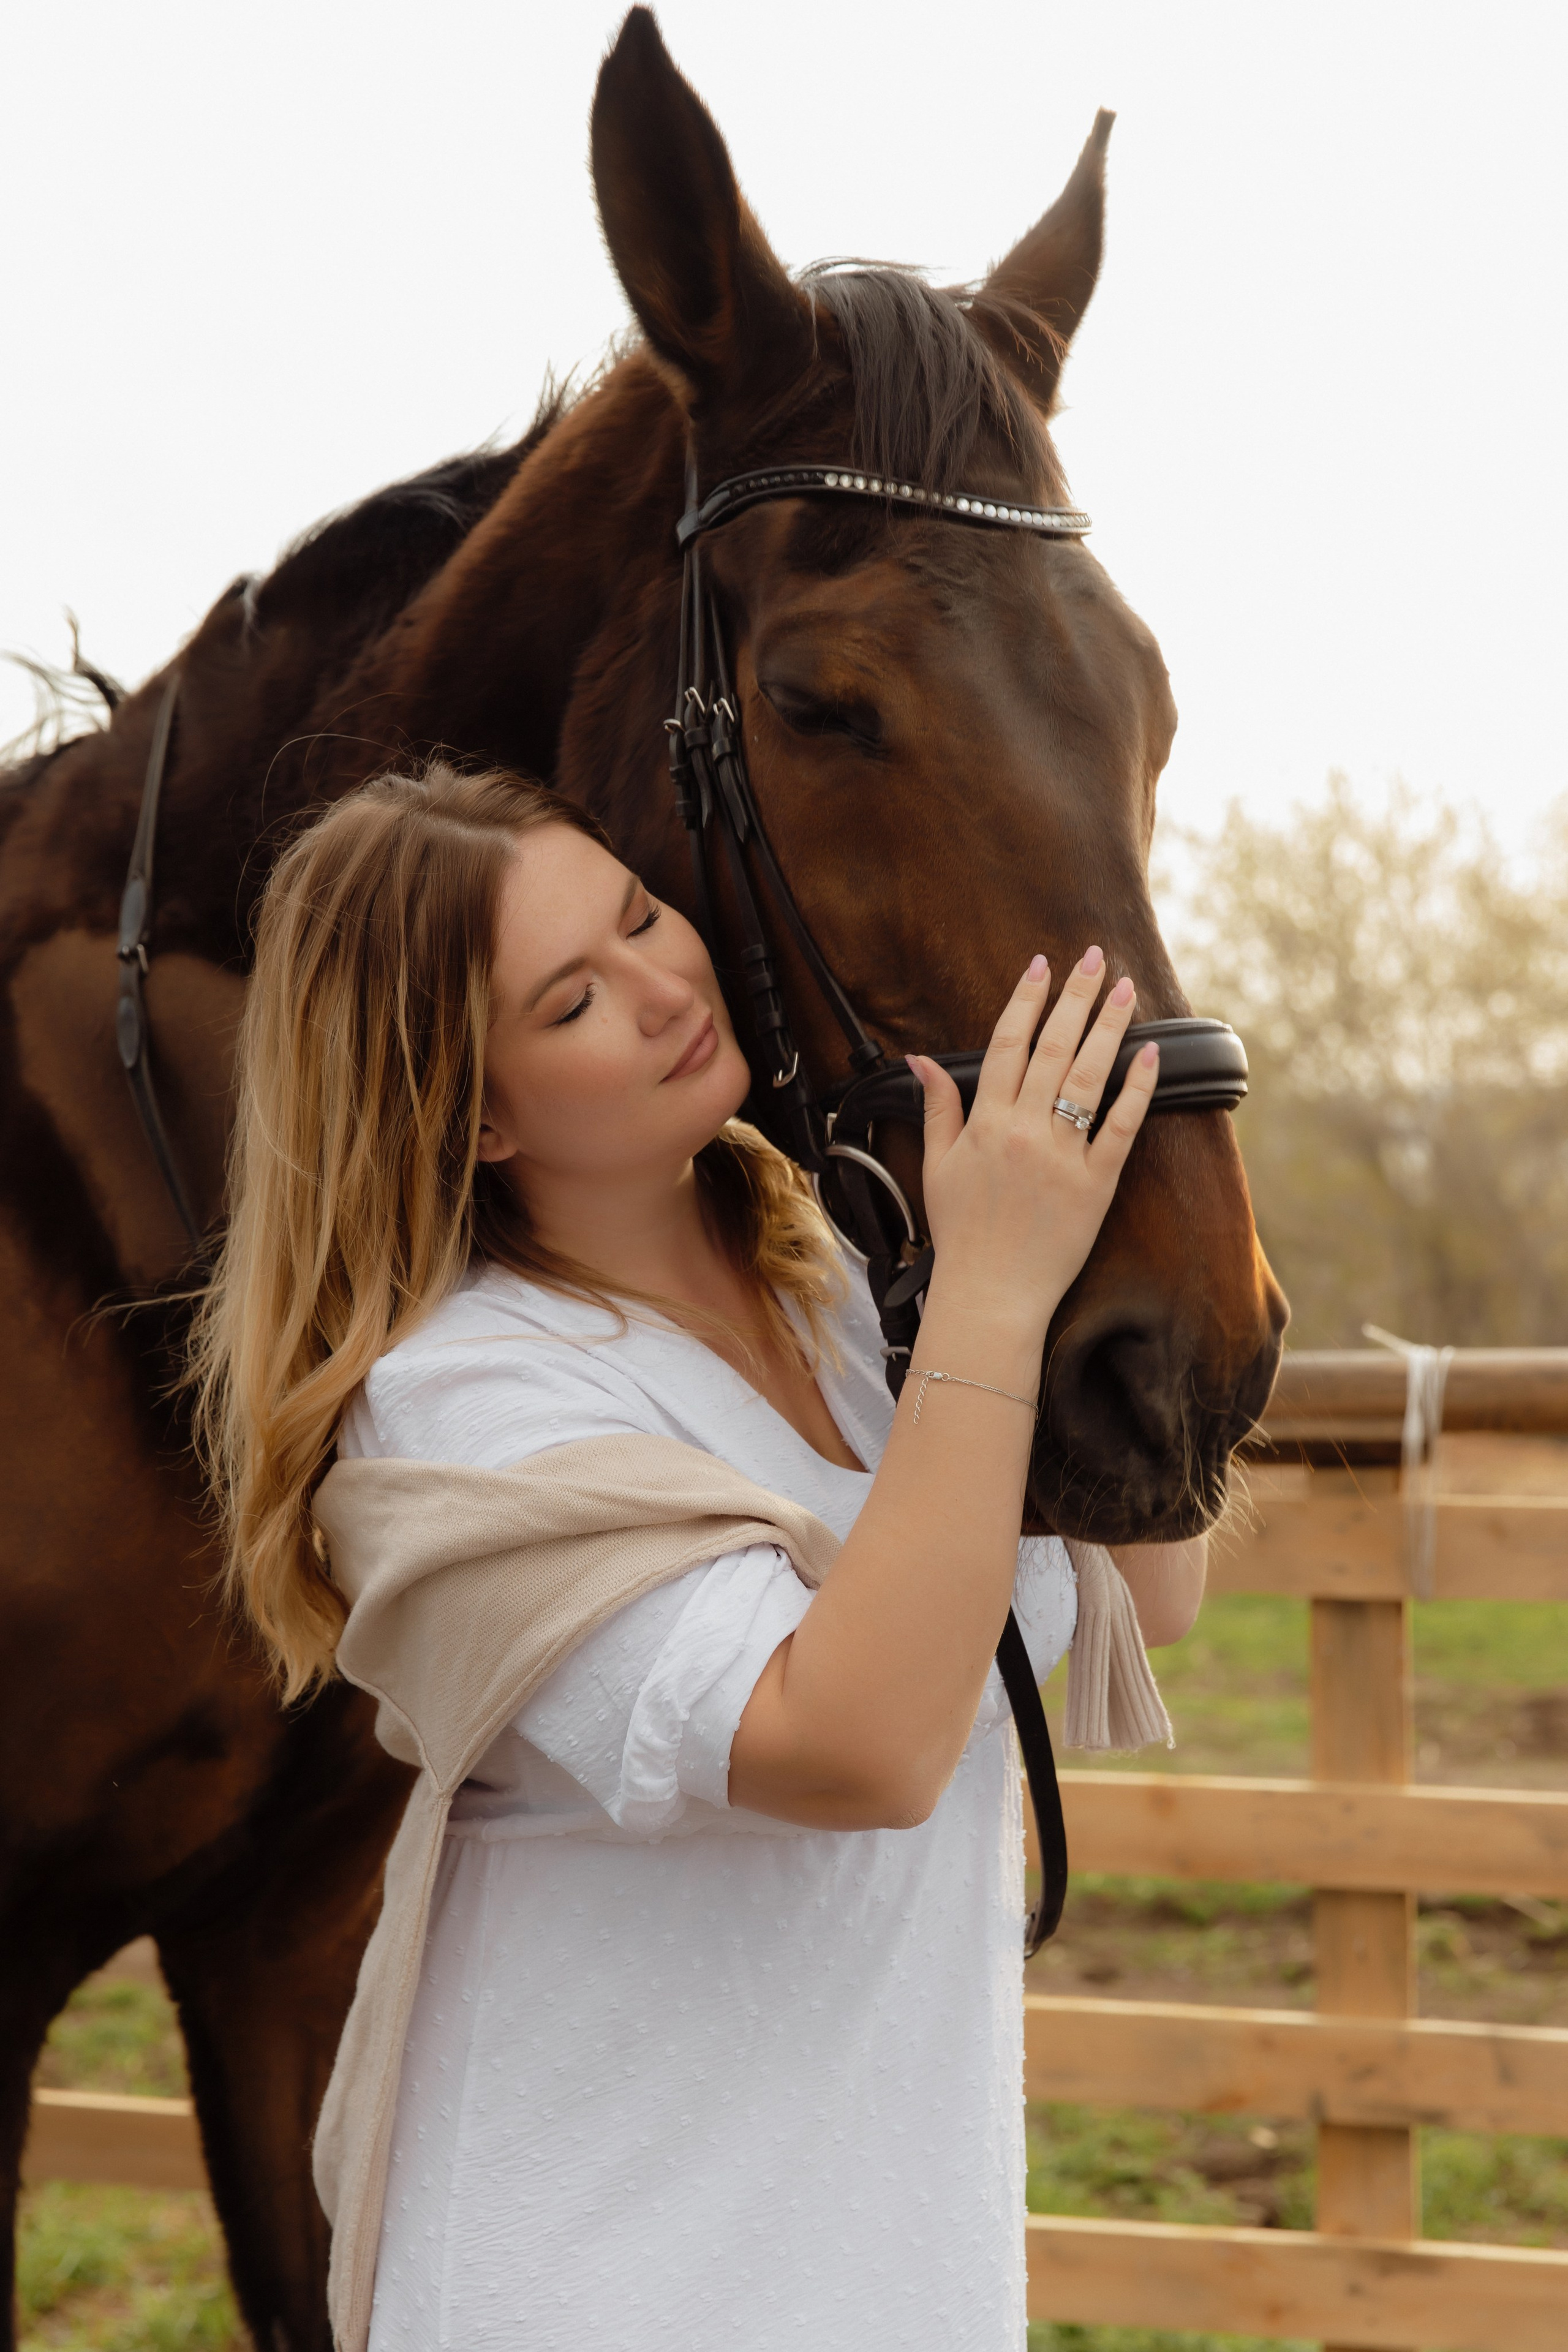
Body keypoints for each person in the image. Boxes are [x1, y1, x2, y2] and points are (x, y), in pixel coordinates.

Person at [190, 760, 1206, 2352]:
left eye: (644, 914)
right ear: (474, 1111)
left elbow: (1156, 1580)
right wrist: (1002, 1303)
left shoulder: (852, 1294)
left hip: (895, 2255)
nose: (667, 985)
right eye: (575, 997)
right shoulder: (461, 1403)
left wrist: (1141, 1182)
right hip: (604, 2277)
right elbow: (851, 1743)